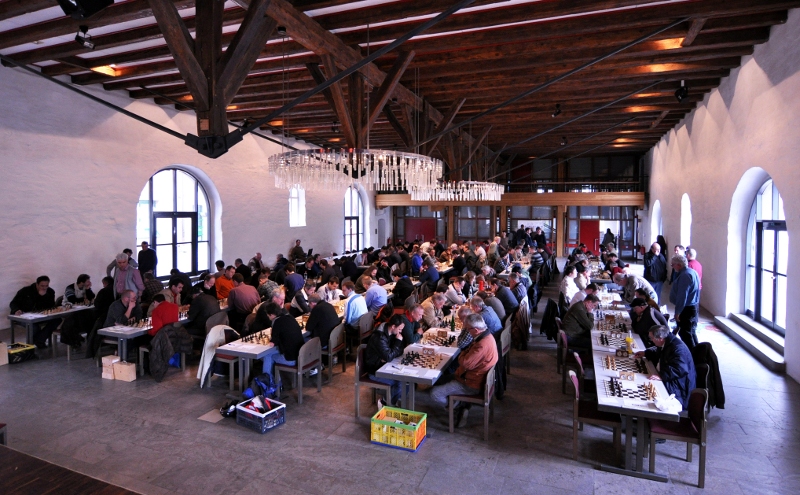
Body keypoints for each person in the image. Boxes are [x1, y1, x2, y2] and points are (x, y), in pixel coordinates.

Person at [429, 313, 498, 427]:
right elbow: (466, 354)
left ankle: (456, 407)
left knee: (434, 394)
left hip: (471, 384)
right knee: (440, 379)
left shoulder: (482, 345)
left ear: (476, 330)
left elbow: (465, 363)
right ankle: (458, 403)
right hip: (475, 378)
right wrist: (465, 353)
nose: (467, 332)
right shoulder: (487, 336)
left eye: (468, 329)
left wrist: (462, 354)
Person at [635, 324, 696, 410]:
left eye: (652, 338)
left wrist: (662, 376)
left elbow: (680, 369)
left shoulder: (678, 348)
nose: (651, 340)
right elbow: (659, 351)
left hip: (679, 387)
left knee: (647, 393)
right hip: (673, 379)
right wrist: (646, 353)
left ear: (660, 338)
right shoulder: (667, 341)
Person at [364, 314, 407, 407]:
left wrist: (391, 353)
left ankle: (391, 401)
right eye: (399, 329)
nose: (400, 332)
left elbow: (400, 350)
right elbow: (389, 356)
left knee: (406, 381)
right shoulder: (379, 337)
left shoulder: (391, 332)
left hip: (384, 366)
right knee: (401, 383)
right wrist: (397, 343)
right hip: (374, 370)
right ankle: (384, 402)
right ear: (393, 326)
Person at [260, 302, 305, 381]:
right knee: (273, 353)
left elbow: (272, 344)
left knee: (267, 355)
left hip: (291, 359)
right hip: (300, 355)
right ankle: (276, 381)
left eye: (268, 315)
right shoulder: (290, 317)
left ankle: (267, 382)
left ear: (272, 315)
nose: (267, 316)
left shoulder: (277, 322)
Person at [9, 275, 58, 348]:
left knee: (56, 320)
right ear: (37, 284)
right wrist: (16, 310)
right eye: (42, 286)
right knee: (33, 326)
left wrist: (44, 297)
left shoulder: (50, 291)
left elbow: (51, 306)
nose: (44, 288)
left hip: (40, 315)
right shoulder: (25, 291)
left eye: (46, 286)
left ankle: (40, 340)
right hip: (24, 315)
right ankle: (34, 344)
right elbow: (13, 303)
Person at [669, 254, 701, 350]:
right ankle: (698, 351)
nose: (672, 267)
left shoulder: (685, 276)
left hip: (687, 308)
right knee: (690, 332)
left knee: (685, 333)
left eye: (673, 265)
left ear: (679, 265)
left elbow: (682, 295)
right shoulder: (692, 272)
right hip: (692, 306)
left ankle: (692, 353)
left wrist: (678, 312)